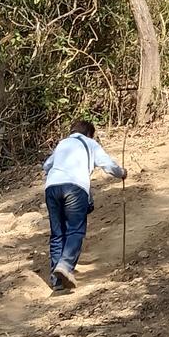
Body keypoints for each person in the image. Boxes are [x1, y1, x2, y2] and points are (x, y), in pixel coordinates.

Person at [43, 120, 126, 290]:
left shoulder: (63, 143)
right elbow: (107, 165)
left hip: (52, 187)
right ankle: (65, 265)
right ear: (89, 133)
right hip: (75, 187)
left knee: (57, 233)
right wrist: (121, 173)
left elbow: (46, 166)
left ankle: (56, 281)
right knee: (75, 230)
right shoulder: (90, 143)